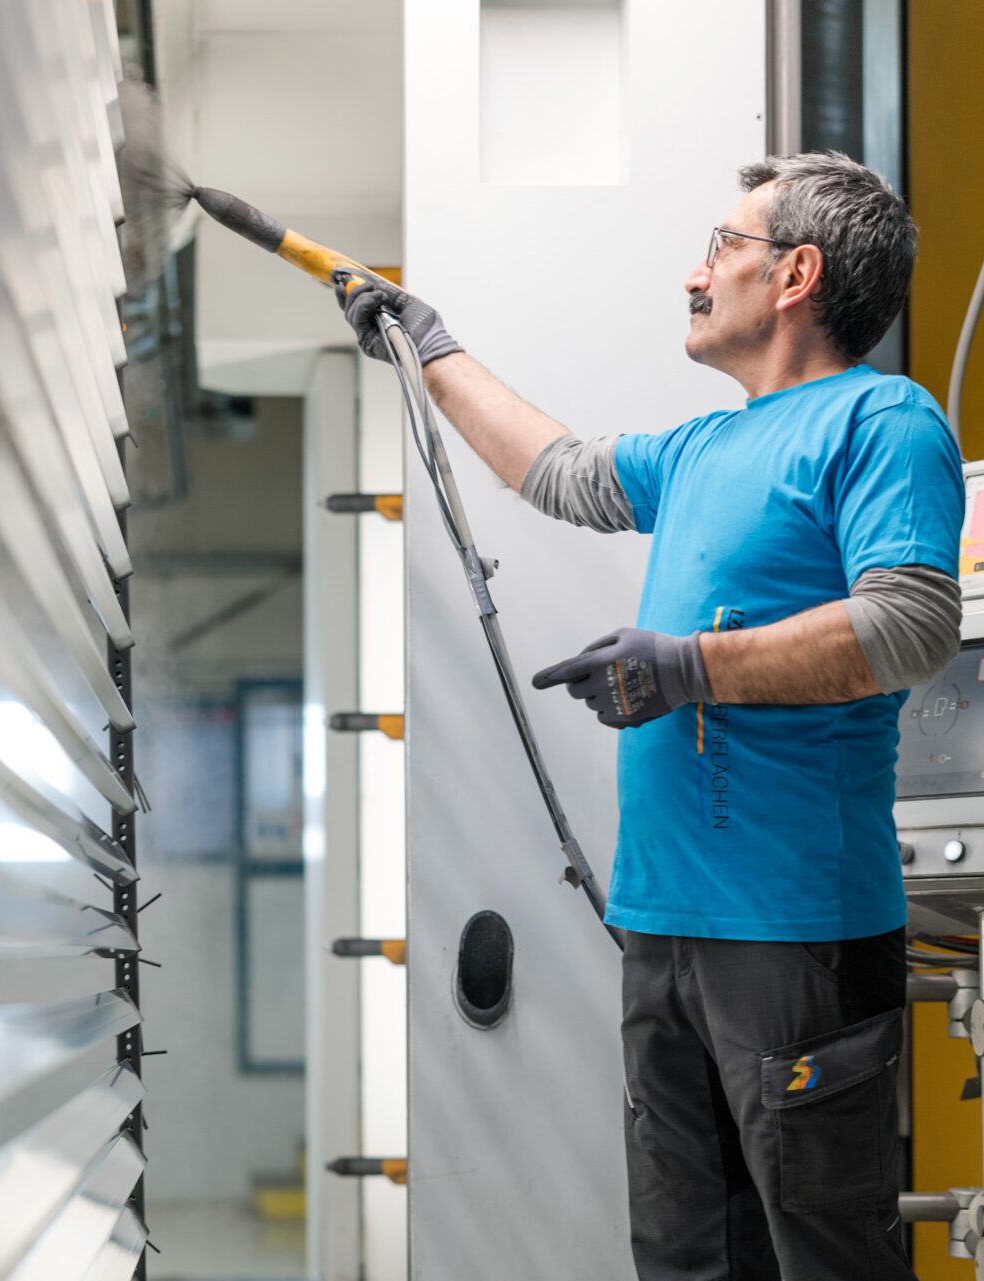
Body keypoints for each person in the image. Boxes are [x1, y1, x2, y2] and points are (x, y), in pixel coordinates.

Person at [334, 151, 965, 1281]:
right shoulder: (705, 446)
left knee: (824, 1258)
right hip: (664, 923)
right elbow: (560, 471)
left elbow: (911, 624)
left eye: (724, 245)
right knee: (685, 1259)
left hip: (796, 934)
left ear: (795, 275)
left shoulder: (883, 421)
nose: (696, 271)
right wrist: (428, 346)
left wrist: (690, 668)